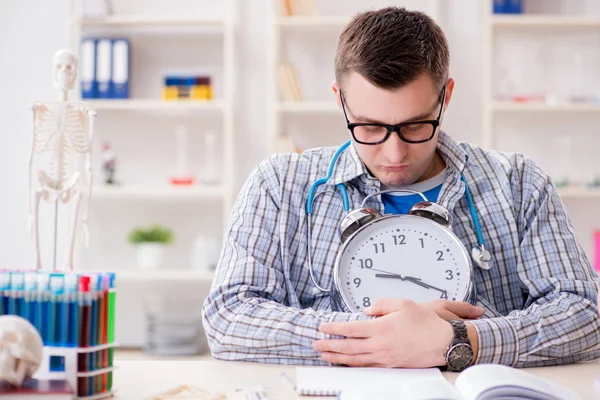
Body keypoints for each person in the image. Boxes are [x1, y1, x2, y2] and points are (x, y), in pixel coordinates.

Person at [202, 6, 600, 370]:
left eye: (415, 126)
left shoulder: (518, 183)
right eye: (370, 127)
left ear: (446, 96)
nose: (394, 153)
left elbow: (585, 313)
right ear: (340, 101)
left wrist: (458, 340)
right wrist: (382, 338)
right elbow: (228, 317)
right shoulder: (280, 184)